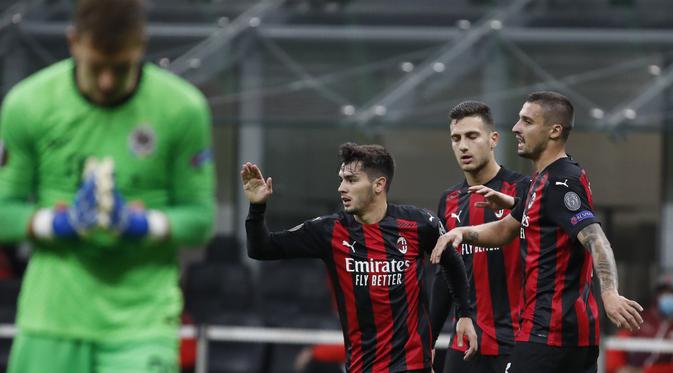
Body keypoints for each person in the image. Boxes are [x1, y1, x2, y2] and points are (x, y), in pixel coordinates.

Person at [0, 0, 215, 371]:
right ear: (73, 43)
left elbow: (200, 220)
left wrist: (141, 225)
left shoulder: (183, 109)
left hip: (141, 324)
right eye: (96, 66)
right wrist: (58, 224)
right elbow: (3, 213)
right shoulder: (28, 104)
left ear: (141, 47)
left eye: (120, 68)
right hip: (52, 319)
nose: (107, 81)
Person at [430, 91, 644, 373]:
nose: (517, 128)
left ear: (554, 131)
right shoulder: (539, 183)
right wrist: (462, 233)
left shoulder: (559, 181)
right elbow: (506, 229)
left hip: (550, 332)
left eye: (527, 121)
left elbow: (595, 238)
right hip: (559, 334)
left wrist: (610, 294)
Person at [242, 143, 478, 372]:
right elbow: (261, 249)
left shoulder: (419, 224)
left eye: (351, 180)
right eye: (341, 179)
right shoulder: (328, 231)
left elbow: (453, 262)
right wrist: (257, 208)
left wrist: (464, 314)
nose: (341, 188)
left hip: (413, 365)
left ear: (379, 185)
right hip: (362, 366)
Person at [430, 101, 529, 373]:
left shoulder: (523, 190)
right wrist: (429, 338)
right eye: (456, 138)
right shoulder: (449, 200)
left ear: (493, 139)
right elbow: (443, 276)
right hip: (465, 344)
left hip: (516, 342)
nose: (463, 145)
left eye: (472, 136)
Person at [606, 273, 673, 373]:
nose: (668, 297)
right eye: (664, 293)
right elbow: (619, 342)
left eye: (671, 293)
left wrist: (645, 371)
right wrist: (618, 368)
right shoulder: (642, 317)